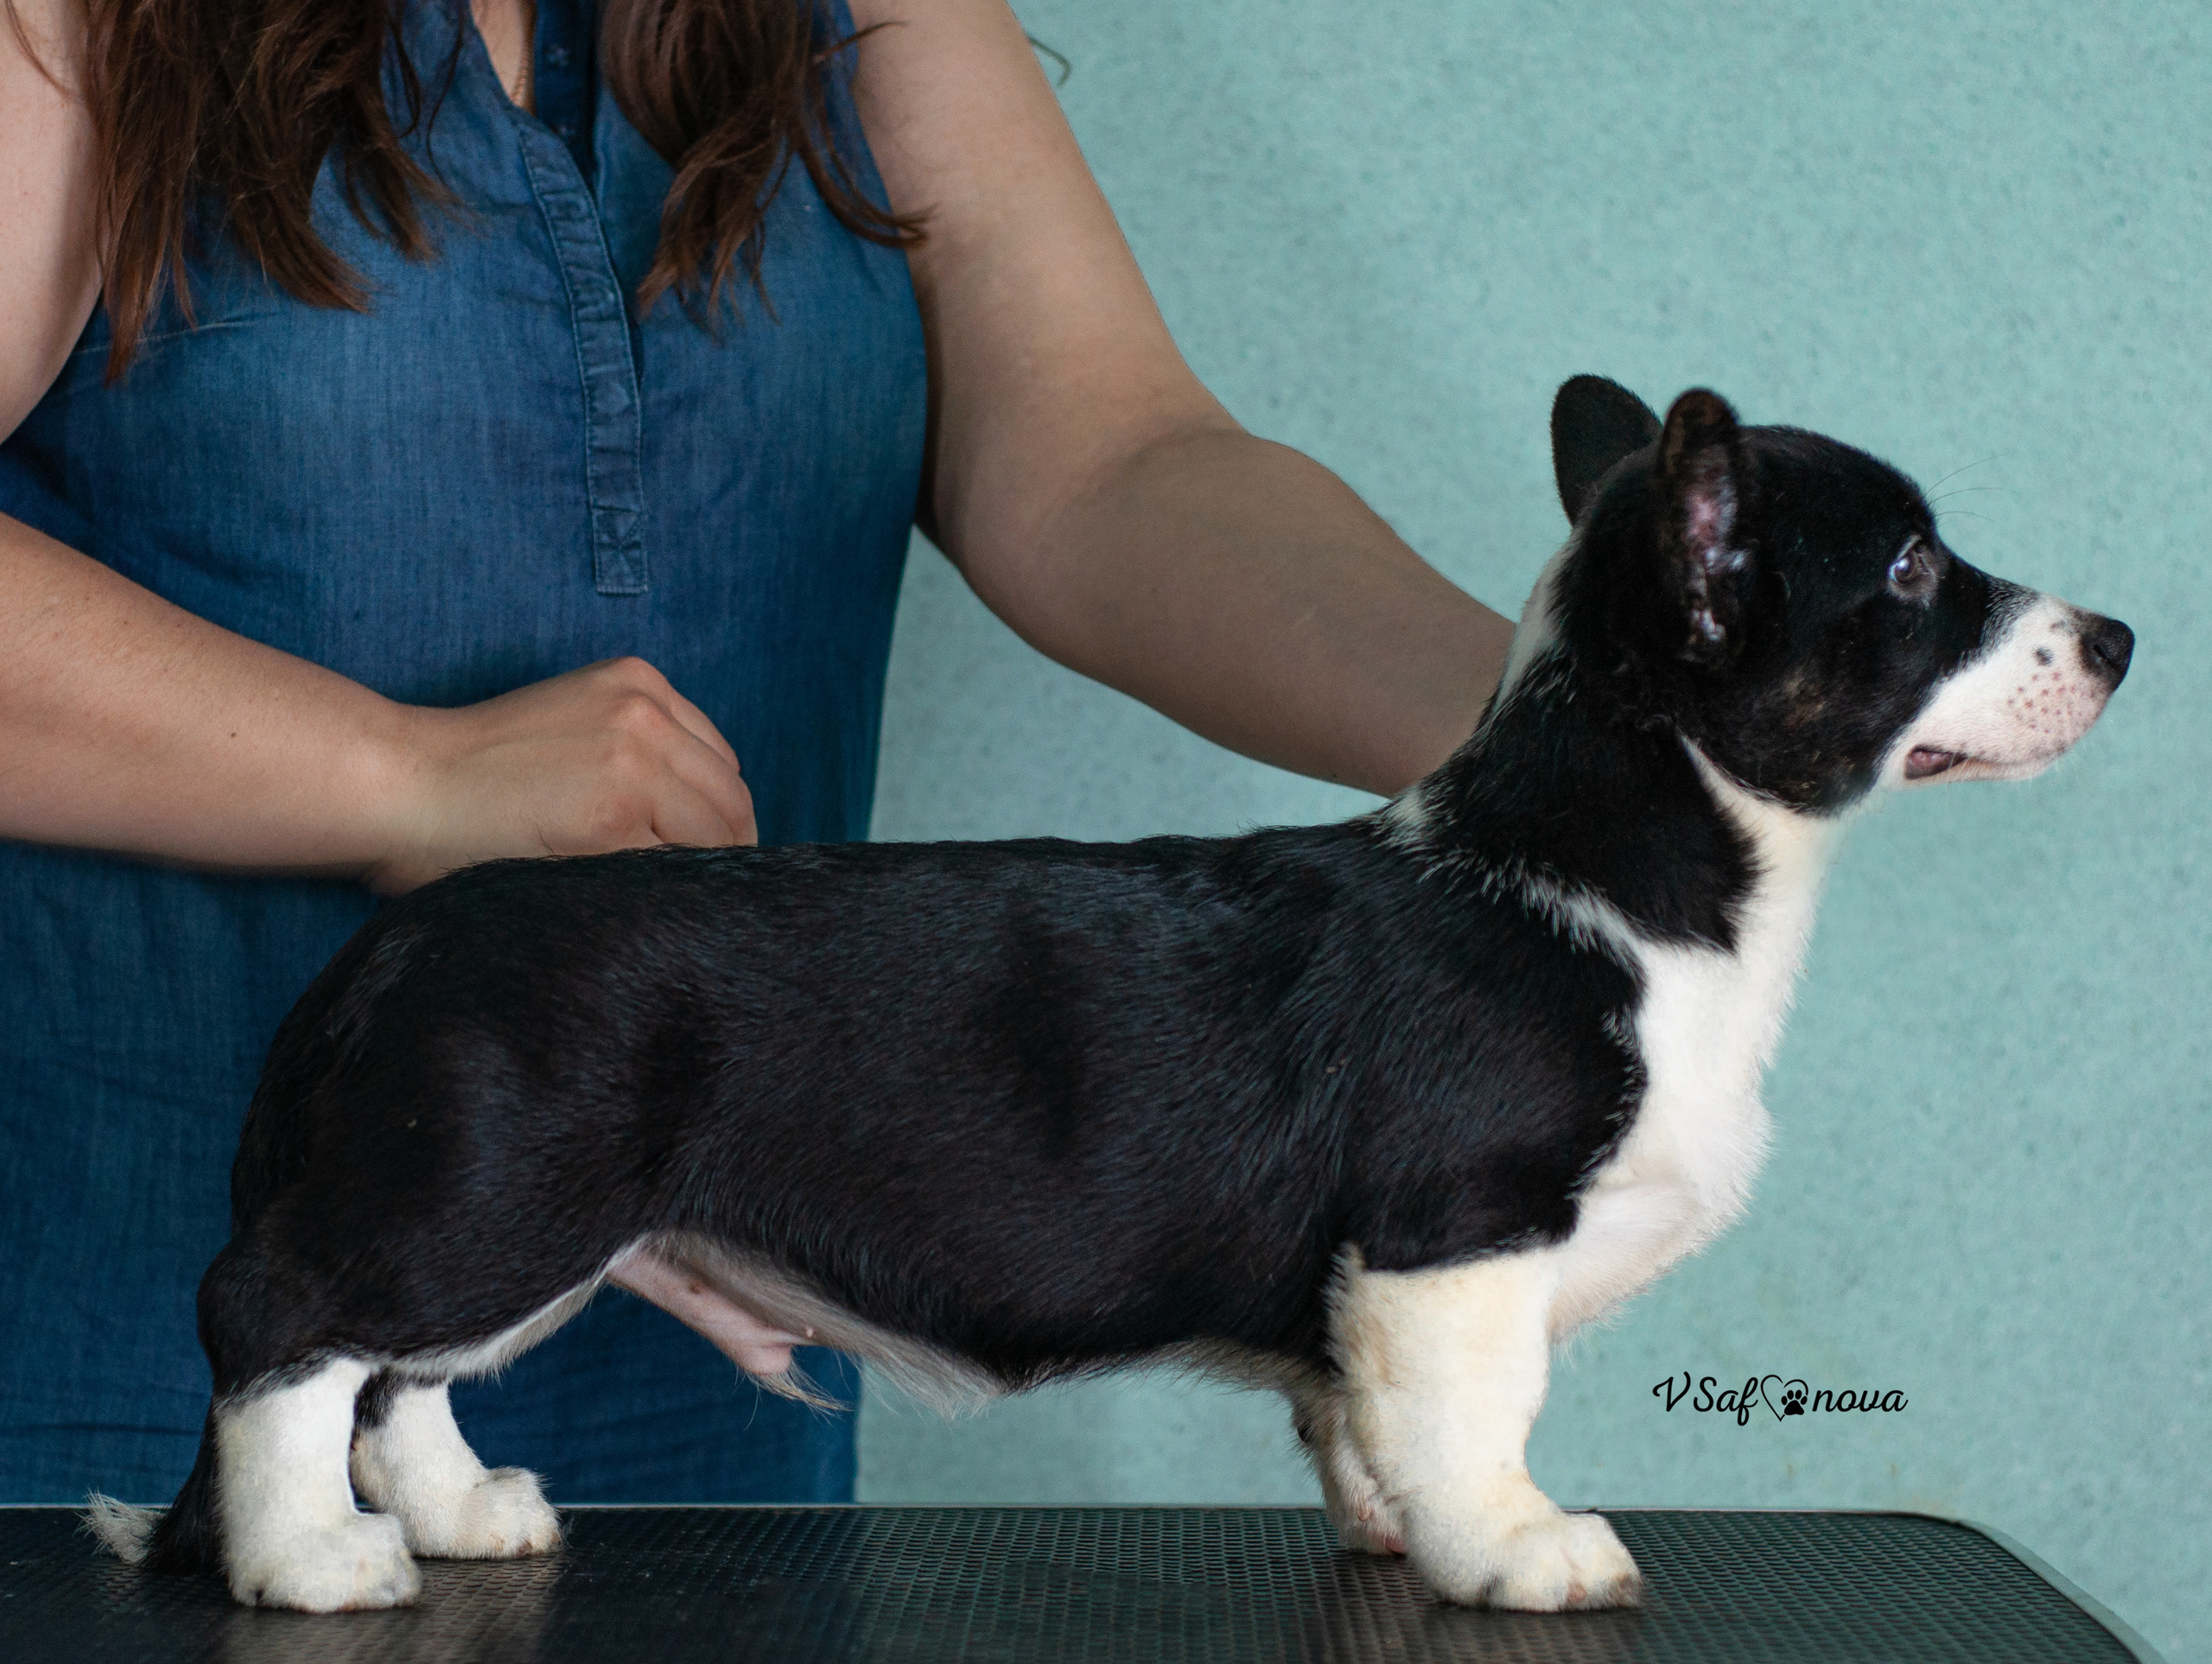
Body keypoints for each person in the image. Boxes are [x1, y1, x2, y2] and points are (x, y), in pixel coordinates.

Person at [0, 0, 1512, 1506]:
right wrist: (405, 778)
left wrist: (1573, 720)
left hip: (716, 1382)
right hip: (127, 1333)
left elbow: (1106, 456)